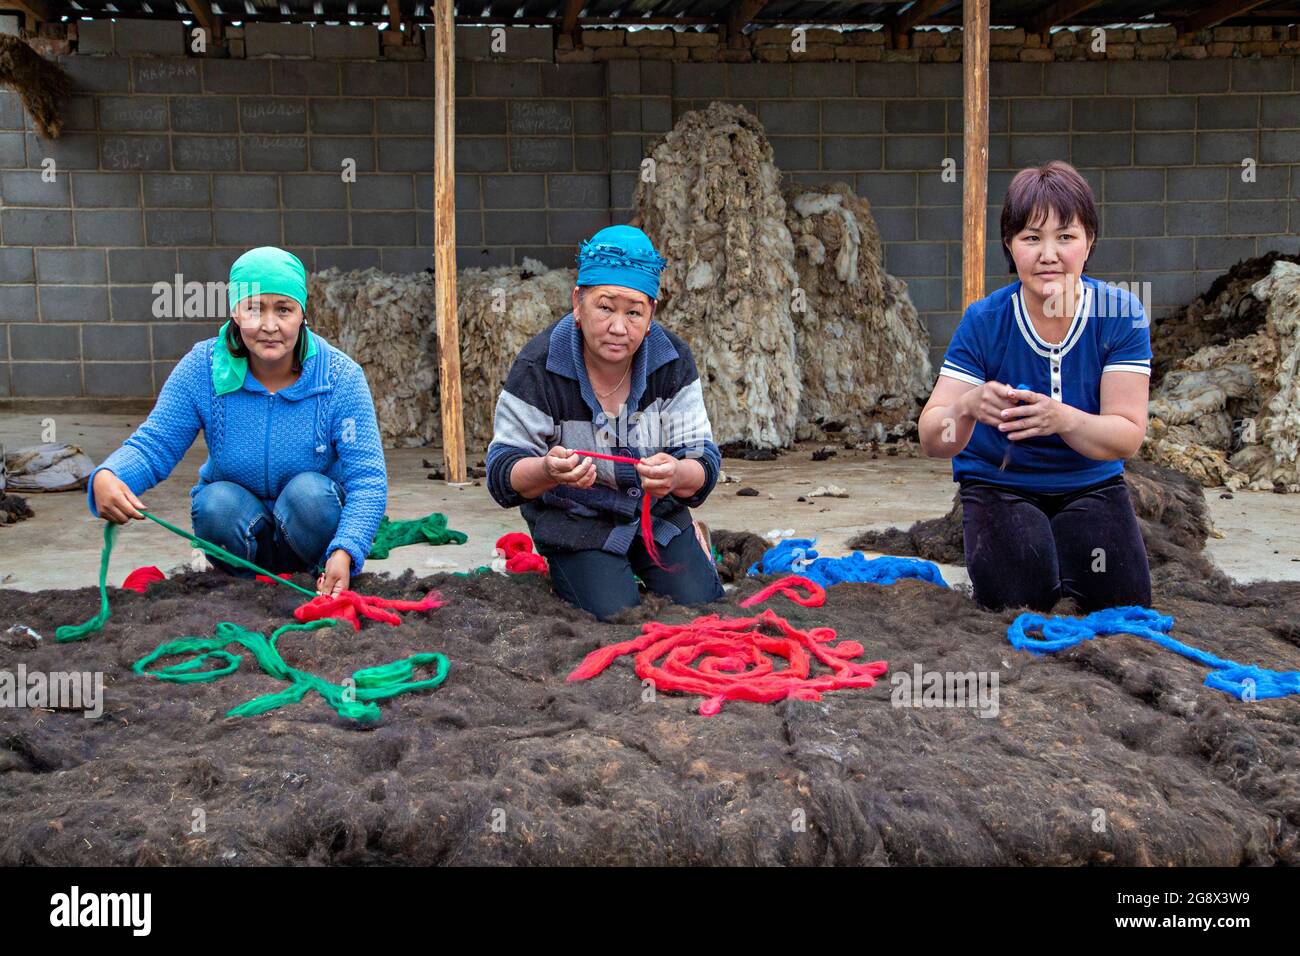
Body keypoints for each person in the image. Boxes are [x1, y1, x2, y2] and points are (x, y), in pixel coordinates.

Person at [918, 161, 1152, 612]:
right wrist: (967, 406)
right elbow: (932, 437)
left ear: (1089, 243)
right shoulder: (984, 321)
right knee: (1019, 601)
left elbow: (1127, 435)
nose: (1049, 254)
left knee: (1122, 605)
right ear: (1009, 245)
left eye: (1066, 236)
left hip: (1091, 481)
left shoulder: (1120, 314)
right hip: (999, 483)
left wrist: (1062, 419)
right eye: (1031, 238)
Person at [88, 246, 387, 597]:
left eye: (284, 310)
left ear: (303, 313)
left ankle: (312, 574)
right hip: (239, 529)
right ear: (234, 312)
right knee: (214, 503)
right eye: (254, 309)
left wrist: (346, 549)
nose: (269, 325)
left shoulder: (339, 378)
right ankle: (240, 588)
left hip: (310, 533)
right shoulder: (203, 368)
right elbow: (156, 443)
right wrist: (110, 475)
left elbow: (367, 478)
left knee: (310, 493)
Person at [486, 225, 724, 620]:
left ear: (651, 314)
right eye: (604, 307)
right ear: (577, 302)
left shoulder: (672, 360)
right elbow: (501, 473)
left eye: (634, 312)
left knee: (699, 604)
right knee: (613, 613)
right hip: (577, 525)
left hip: (655, 516)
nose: (618, 327)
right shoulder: (539, 365)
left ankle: (689, 537)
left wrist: (677, 474)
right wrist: (548, 471)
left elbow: (704, 461)